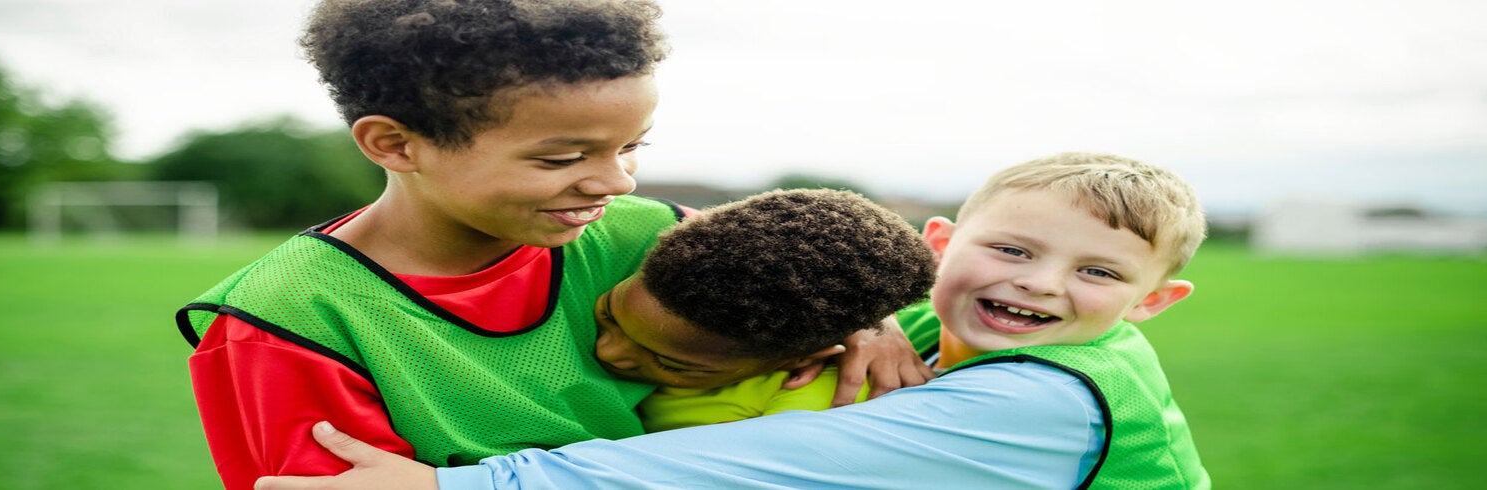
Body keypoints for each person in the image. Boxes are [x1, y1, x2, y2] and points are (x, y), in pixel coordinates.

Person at [175, 1, 929, 488]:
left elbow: (819, 264)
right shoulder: (290, 320)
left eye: (632, 145)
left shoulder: (643, 233)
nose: (616, 183)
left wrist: (868, 318)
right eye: (561, 158)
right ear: (395, 144)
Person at [256, 152, 1214, 489]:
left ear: (1154, 305)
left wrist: (457, 488)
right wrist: (873, 317)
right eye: (1012, 251)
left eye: (1096, 272)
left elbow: (740, 467)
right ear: (938, 248)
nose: (1042, 285)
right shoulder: (932, 321)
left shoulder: (1049, 399)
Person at [588, 188, 935, 432]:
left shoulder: (823, 403)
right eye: (608, 314)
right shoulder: (642, 263)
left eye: (669, 363)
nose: (610, 351)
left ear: (796, 361)